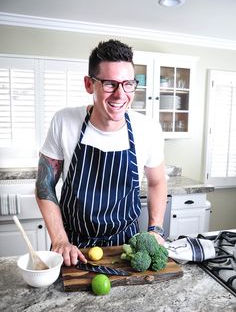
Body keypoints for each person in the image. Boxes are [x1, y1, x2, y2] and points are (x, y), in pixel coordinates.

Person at [35, 39, 167, 266]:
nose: (120, 94)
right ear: (89, 84)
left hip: (127, 247)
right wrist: (59, 240)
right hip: (73, 247)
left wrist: (155, 229)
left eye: (128, 84)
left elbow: (157, 182)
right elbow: (44, 185)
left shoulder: (148, 129)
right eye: (109, 84)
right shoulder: (64, 121)